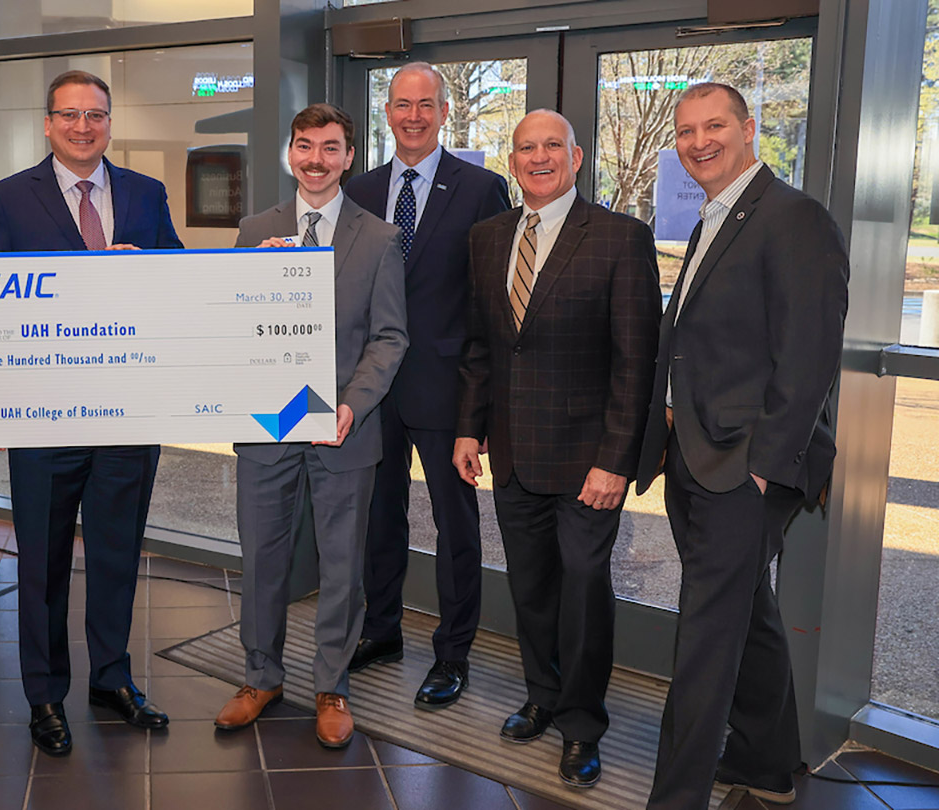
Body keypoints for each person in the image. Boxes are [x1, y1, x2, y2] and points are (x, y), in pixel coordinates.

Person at [637, 83, 849, 810]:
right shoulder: (714, 218)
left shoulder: (794, 219)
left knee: (704, 635)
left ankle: (675, 799)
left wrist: (762, 471)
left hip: (744, 467)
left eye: (715, 126)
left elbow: (810, 358)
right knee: (743, 614)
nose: (700, 141)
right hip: (696, 456)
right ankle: (765, 762)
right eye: (687, 130)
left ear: (749, 127)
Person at [0, 69, 182, 756]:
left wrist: (142, 270)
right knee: (41, 562)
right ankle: (44, 694)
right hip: (44, 417)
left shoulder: (147, 196)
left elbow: (179, 279)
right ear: (48, 123)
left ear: (109, 122)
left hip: (127, 410)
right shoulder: (7, 199)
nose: (84, 126)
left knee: (118, 554)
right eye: (70, 115)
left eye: (96, 114)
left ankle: (112, 679)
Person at [453, 109, 660, 788]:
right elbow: (481, 347)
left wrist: (616, 460)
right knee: (532, 589)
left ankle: (581, 724)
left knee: (582, 592)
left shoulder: (621, 238)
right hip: (512, 452)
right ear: (512, 161)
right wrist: (466, 428)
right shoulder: (487, 238)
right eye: (525, 148)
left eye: (551, 147)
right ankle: (541, 696)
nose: (538, 157)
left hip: (586, 462)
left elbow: (637, 361)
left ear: (575, 157)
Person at [213, 103, 407, 749]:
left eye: (329, 148)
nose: (316, 159)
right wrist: (253, 276)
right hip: (268, 426)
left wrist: (354, 402)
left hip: (344, 431)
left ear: (349, 156)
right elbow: (232, 322)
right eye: (304, 146)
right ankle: (260, 678)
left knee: (343, 566)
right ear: (289, 153)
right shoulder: (253, 229)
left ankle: (332, 687)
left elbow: (388, 337)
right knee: (263, 559)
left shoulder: (378, 238)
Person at [344, 61, 511, 708]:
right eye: (402, 104)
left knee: (455, 527)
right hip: (372, 390)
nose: (413, 115)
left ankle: (453, 653)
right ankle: (381, 631)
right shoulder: (358, 190)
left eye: (426, 104)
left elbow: (490, 304)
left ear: (445, 112)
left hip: (448, 392)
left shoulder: (481, 189)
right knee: (377, 520)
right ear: (387, 112)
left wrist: (482, 408)